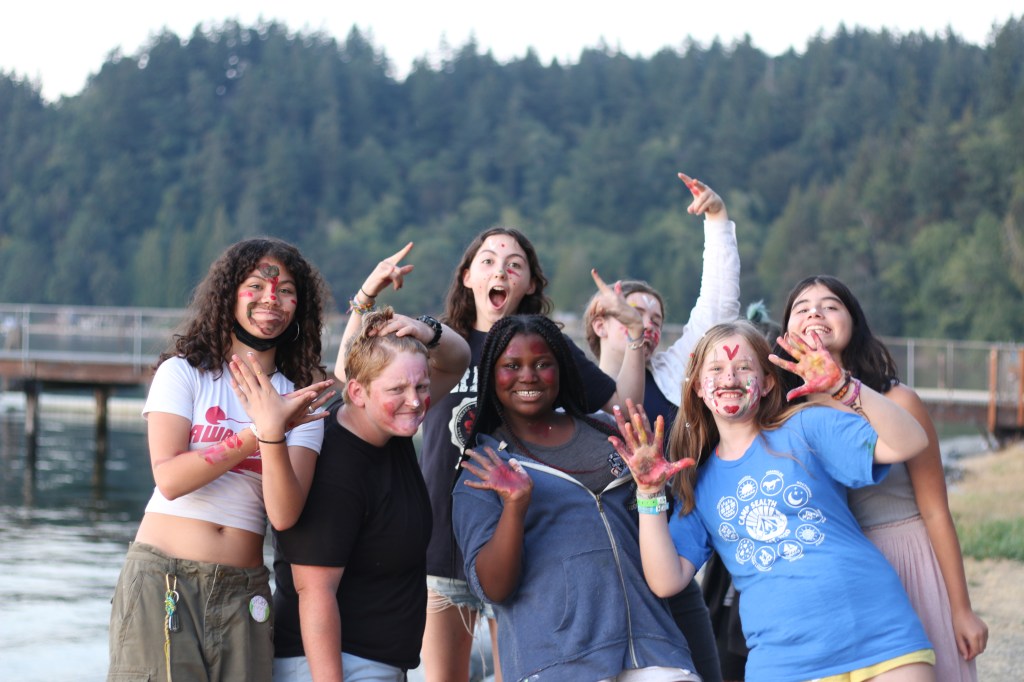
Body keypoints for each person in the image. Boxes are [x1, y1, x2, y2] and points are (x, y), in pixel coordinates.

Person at [336, 238, 646, 681]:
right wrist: (366, 299)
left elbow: (620, 408)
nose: (500, 271)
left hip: (522, 541)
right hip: (442, 539)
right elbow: (351, 377)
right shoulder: (433, 342)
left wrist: (634, 333)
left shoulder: (544, 347)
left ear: (531, 283)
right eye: (488, 261)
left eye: (514, 264)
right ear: (467, 277)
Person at [612, 320, 938, 681]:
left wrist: (845, 389)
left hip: (881, 635)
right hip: (784, 663)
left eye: (743, 367)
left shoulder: (807, 427)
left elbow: (910, 442)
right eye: (716, 369)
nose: (730, 378)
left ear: (767, 382)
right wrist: (648, 493)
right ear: (699, 388)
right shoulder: (697, 481)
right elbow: (665, 580)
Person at [108, 237, 336, 681]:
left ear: (299, 307)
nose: (272, 299)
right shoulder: (184, 373)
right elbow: (170, 479)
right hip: (164, 579)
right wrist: (262, 433)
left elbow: (284, 515)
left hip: (243, 589)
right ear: (229, 294)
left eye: (287, 290)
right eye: (256, 285)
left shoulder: (300, 399)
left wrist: (277, 429)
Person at [453, 314, 700, 681]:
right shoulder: (486, 467)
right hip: (557, 663)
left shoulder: (614, 436)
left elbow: (663, 549)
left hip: (657, 651)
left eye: (542, 364)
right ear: (491, 375)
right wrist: (515, 506)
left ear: (563, 369)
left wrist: (653, 490)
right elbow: (494, 589)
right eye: (511, 366)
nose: (528, 376)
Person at [779, 275, 989, 680]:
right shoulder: (784, 412)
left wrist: (961, 609)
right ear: (787, 330)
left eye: (830, 306)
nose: (815, 313)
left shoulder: (898, 400)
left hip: (905, 556)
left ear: (853, 323)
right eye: (802, 308)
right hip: (834, 573)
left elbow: (936, 512)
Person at [583, 172, 739, 682]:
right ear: (598, 321)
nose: (644, 322)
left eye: (654, 316)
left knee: (705, 670)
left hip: (669, 557)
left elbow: (717, 307)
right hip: (598, 569)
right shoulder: (566, 389)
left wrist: (717, 222)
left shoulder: (672, 375)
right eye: (631, 312)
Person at [273, 305, 471, 681]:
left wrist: (423, 329)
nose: (414, 400)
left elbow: (458, 359)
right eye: (397, 389)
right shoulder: (335, 464)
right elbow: (314, 592)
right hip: (333, 665)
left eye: (422, 386)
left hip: (371, 663)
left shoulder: (388, 426)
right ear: (357, 392)